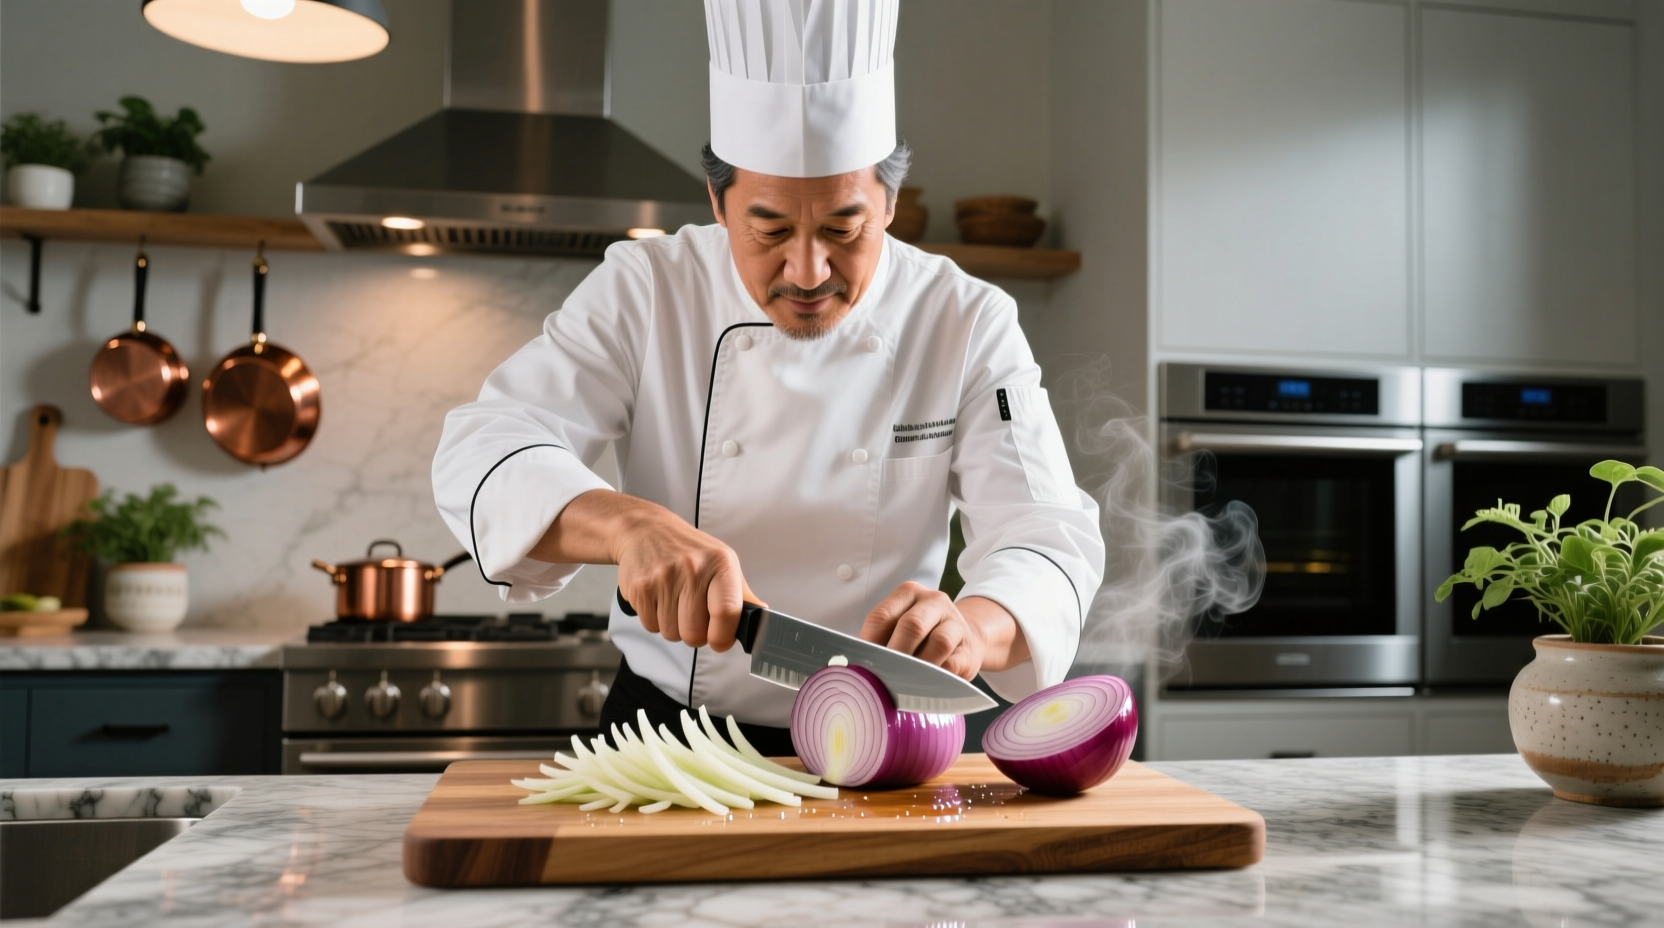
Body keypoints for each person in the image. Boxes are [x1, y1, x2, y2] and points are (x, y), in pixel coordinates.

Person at [432, 0, 1103, 757]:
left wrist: (971, 630)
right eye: (771, 230)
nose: (809, 271)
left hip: (883, 737)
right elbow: (485, 445)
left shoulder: (965, 320)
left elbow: (1045, 532)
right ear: (717, 202)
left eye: (844, 230)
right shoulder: (648, 287)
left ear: (889, 201)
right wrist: (629, 526)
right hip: (672, 737)